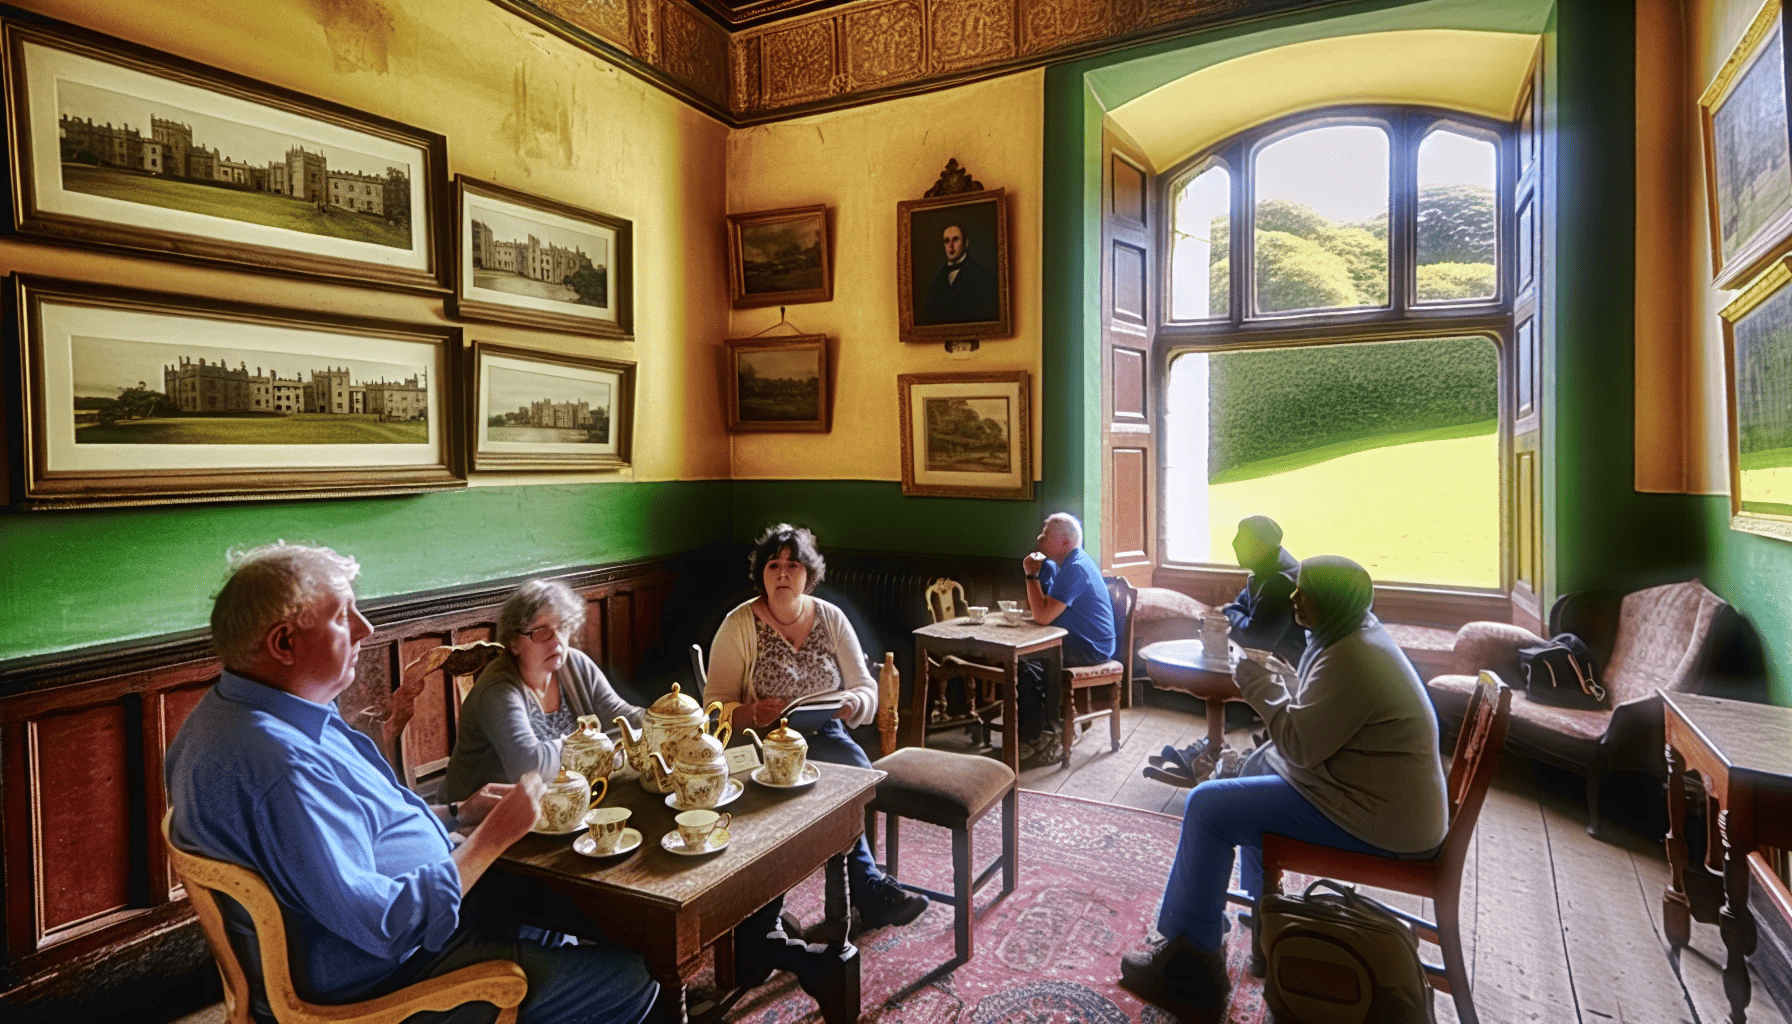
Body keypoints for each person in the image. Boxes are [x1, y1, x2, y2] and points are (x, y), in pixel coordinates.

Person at [165, 543, 657, 1024]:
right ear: (284, 643)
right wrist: (490, 838)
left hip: (400, 930)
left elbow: (355, 827)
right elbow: (383, 924)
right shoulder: (280, 764)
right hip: (387, 978)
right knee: (634, 973)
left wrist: (459, 813)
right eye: (342, 617)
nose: (366, 628)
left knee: (566, 916)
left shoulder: (244, 715)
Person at [1119, 555, 1448, 1019]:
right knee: (1251, 783)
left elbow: (1298, 745)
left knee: (1207, 807)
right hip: (1377, 803)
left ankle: (1191, 964)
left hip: (1382, 824)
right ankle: (1265, 928)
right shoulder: (1349, 635)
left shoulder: (1353, 658)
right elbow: (1318, 724)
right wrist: (1285, 687)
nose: (1293, 597)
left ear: (1332, 601)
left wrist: (1259, 687)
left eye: (1304, 591)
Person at [707, 523, 930, 946]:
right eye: (774, 565)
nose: (784, 573)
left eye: (794, 565)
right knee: (781, 803)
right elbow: (714, 707)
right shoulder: (739, 624)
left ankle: (854, 893)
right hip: (762, 743)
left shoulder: (830, 617)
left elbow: (865, 686)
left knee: (852, 771)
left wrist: (854, 705)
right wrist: (751, 712)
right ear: (762, 575)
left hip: (824, 732)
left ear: (810, 575)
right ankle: (780, 913)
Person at [443, 579, 644, 803]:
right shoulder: (498, 690)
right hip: (478, 817)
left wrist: (662, 719)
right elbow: (529, 767)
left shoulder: (575, 665)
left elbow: (620, 716)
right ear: (514, 643)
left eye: (562, 627)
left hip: (557, 803)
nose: (556, 639)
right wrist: (595, 746)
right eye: (541, 632)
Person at [1016, 512, 1117, 764]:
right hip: (1079, 642)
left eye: (1046, 534)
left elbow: (1042, 616)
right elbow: (1047, 609)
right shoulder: (1062, 565)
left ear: (1064, 543)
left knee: (1024, 664)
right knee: (1026, 660)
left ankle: (1043, 738)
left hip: (1091, 648)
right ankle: (1038, 733)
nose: (1039, 539)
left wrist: (1030, 575)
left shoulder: (1075, 568)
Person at [1220, 515, 1306, 667]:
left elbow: (1254, 640)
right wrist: (1237, 614)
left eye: (1242, 539)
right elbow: (1240, 608)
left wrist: (1227, 612)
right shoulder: (1264, 573)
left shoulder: (1282, 583)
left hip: (1293, 671)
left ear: (1262, 546)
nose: (1234, 543)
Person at [922, 222, 1000, 324]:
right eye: (946, 241)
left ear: (966, 243)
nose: (951, 246)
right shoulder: (937, 280)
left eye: (955, 239)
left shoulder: (984, 277)